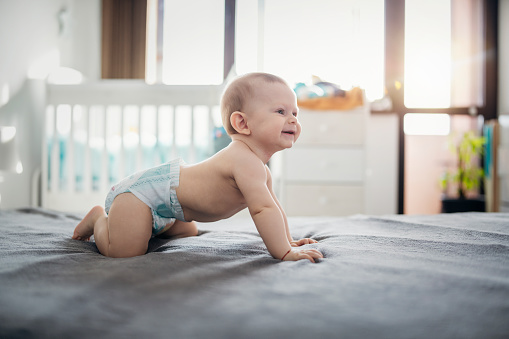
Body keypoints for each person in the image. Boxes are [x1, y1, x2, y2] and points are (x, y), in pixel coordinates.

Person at [72, 72, 324, 263]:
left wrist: (288, 239)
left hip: (172, 209)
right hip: (139, 197)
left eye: (295, 112)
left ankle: (160, 225)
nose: (292, 119)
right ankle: (98, 220)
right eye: (280, 111)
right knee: (125, 252)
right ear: (242, 123)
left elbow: (274, 206)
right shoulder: (242, 159)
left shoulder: (260, 168)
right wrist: (284, 252)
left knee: (188, 231)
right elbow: (263, 210)